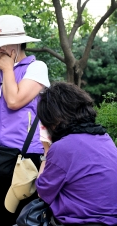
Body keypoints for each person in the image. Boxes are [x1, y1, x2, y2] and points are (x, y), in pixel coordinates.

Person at [0, 15, 50, 225]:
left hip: (26, 158)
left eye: (2, 45)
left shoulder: (36, 68)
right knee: (2, 217)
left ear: (17, 43)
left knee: (26, 218)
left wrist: (8, 70)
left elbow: (14, 101)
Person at [36, 82, 117, 225]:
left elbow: (42, 192)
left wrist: (46, 150)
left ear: (54, 118)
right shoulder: (105, 138)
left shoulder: (62, 148)